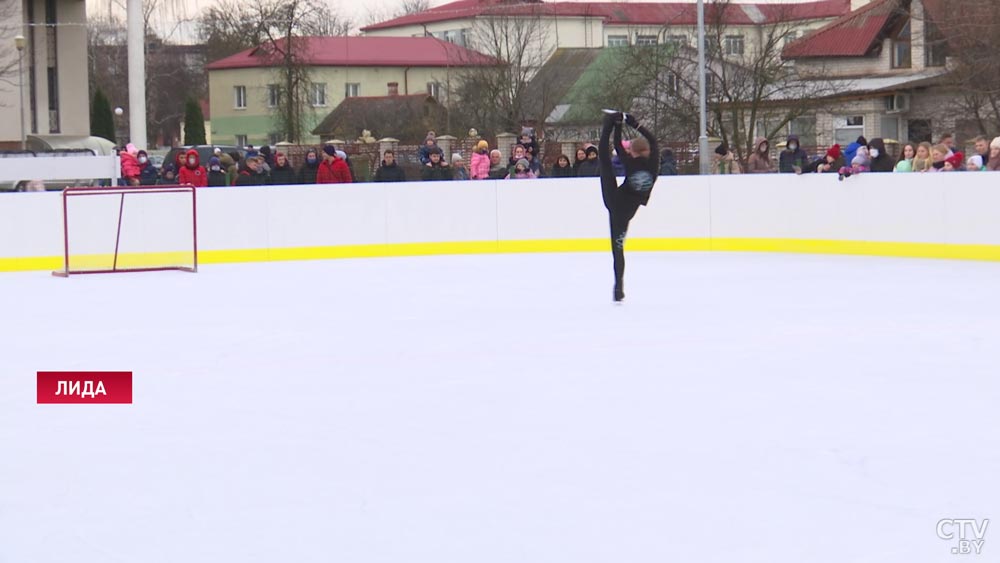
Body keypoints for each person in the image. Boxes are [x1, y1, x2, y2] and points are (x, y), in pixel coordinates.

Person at [598, 111, 659, 303]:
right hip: (627, 211)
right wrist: (636, 124)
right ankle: (619, 287)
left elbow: (615, 146)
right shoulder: (653, 166)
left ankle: (608, 122)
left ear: (632, 151)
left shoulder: (631, 162)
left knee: (605, 162)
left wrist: (618, 126)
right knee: (619, 249)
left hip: (614, 200)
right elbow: (654, 142)